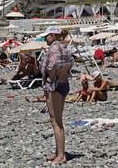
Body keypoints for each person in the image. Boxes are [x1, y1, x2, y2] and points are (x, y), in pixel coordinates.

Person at [40, 26, 73, 164]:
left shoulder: (54, 48)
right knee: (58, 120)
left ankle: (61, 155)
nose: (45, 38)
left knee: (56, 122)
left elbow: (51, 66)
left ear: (53, 35)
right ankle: (58, 151)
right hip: (64, 83)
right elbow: (71, 62)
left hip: (55, 85)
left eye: (46, 36)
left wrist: (50, 77)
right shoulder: (65, 47)